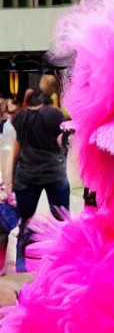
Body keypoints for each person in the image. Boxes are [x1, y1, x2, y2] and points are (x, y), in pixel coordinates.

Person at [12, 89, 69, 272]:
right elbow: (63, 141)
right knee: (62, 220)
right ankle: (64, 257)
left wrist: (10, 177)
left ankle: (22, 261)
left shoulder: (19, 118)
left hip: (27, 175)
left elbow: (16, 149)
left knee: (24, 220)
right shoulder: (55, 115)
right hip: (54, 172)